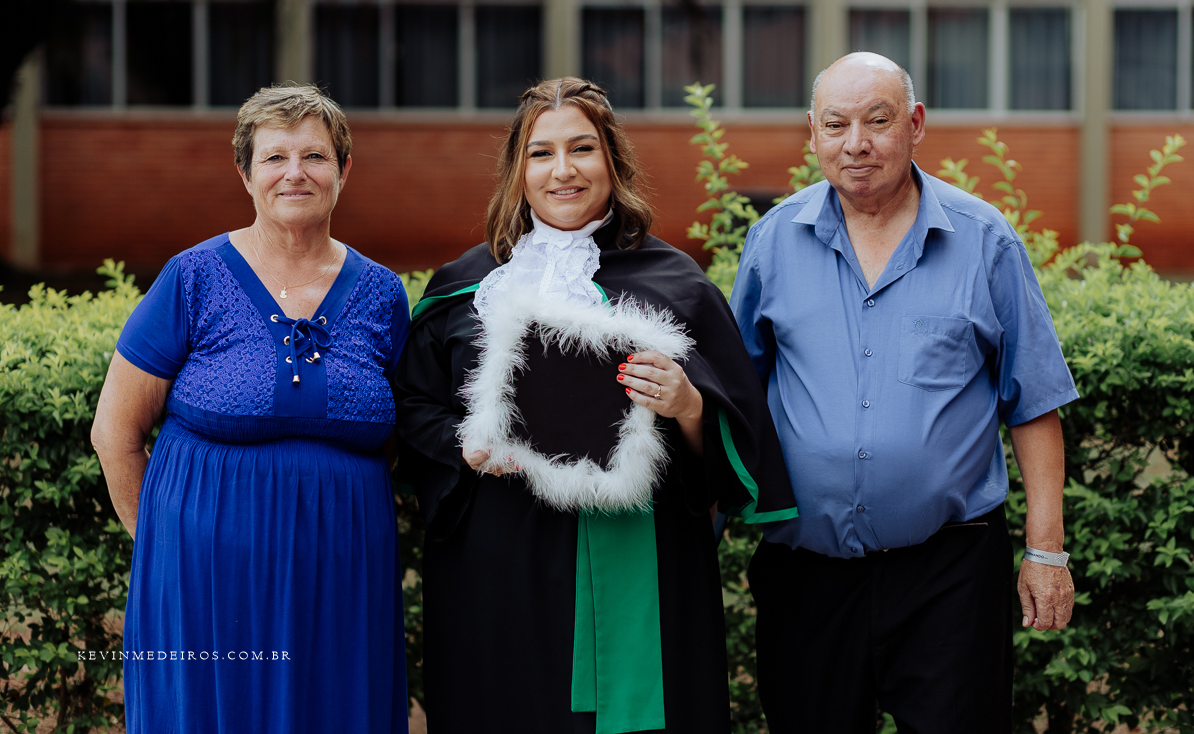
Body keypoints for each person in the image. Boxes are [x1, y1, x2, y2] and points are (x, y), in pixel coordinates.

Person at [393, 77, 795, 734]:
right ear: (517, 170)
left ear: (611, 159)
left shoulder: (676, 282)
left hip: (638, 553)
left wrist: (690, 405)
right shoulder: (463, 286)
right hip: (498, 559)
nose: (563, 170)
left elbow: (732, 452)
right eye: (541, 153)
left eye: (581, 149)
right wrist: (460, 445)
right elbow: (411, 403)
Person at [729, 52, 1078, 733]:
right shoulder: (773, 242)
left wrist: (1046, 552)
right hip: (806, 576)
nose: (855, 143)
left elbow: (1031, 401)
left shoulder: (984, 240)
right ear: (813, 133)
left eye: (877, 120)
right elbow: (738, 397)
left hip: (948, 574)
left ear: (915, 124)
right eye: (836, 124)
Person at [91, 85, 410, 733]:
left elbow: (402, 432)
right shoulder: (193, 277)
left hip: (343, 582)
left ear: (344, 171)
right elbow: (114, 431)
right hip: (205, 586)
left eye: (315, 156)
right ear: (245, 173)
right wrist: (166, 548)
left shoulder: (382, 293)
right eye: (274, 158)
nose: (296, 173)